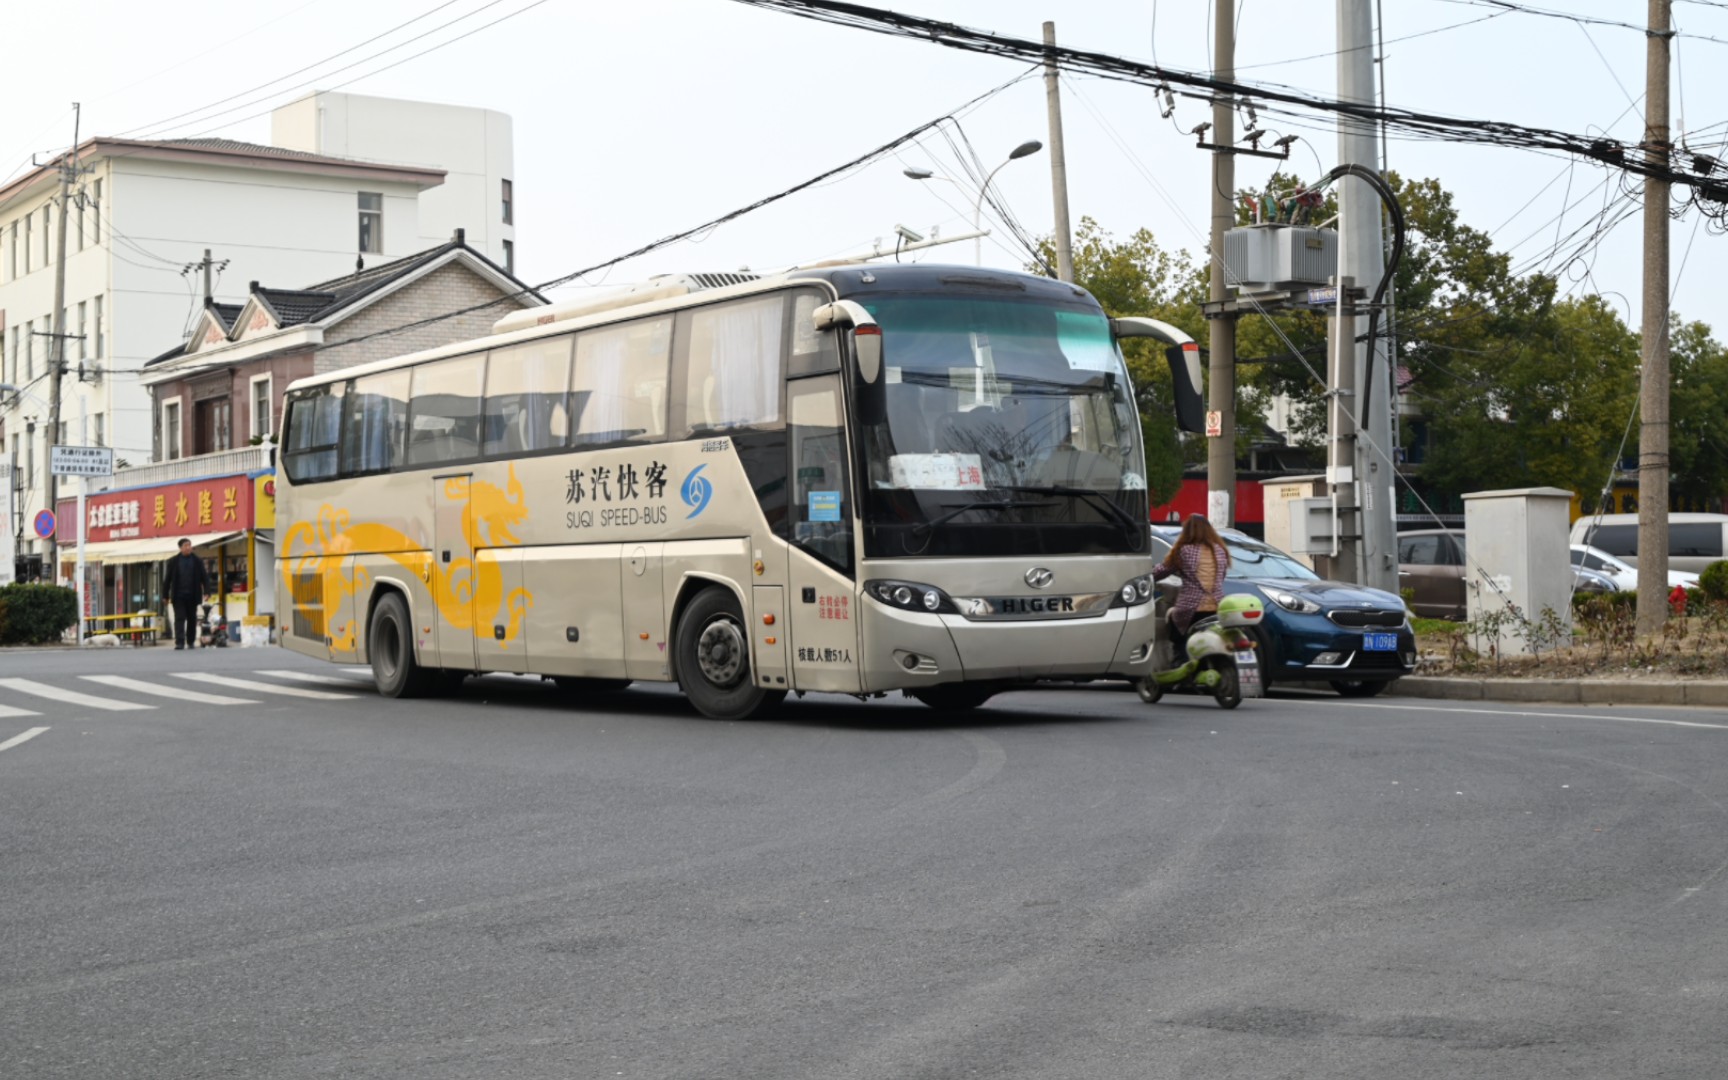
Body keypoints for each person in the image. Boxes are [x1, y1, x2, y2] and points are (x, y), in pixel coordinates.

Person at [1153, 515, 1231, 639]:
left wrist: (1146, 576)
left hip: (1190, 609)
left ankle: (1180, 656)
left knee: (1177, 638)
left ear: (1187, 530)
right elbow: (1221, 577)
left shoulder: (1184, 550)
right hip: (1217, 606)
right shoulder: (1220, 550)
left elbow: (1162, 571)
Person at [162, 538, 208, 650]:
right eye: (186, 546)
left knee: (192, 619)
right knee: (179, 618)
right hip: (178, 595)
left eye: (189, 545)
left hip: (193, 595)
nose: (188, 548)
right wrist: (165, 596)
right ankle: (180, 642)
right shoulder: (173, 561)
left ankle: (191, 641)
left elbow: (204, 577)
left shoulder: (197, 561)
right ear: (180, 548)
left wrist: (207, 592)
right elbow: (167, 579)